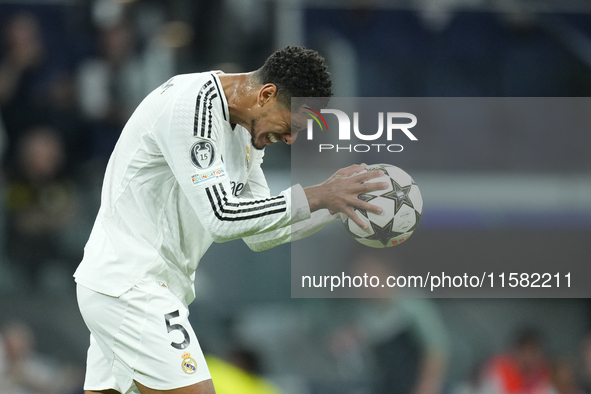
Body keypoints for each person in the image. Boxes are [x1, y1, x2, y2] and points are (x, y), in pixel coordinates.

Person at [74, 46, 388, 394]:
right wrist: (318, 194)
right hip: (131, 284)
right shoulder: (192, 108)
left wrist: (337, 207)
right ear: (267, 95)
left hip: (130, 286)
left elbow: (259, 232)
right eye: (291, 125)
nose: (290, 139)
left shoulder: (246, 131)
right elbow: (222, 218)